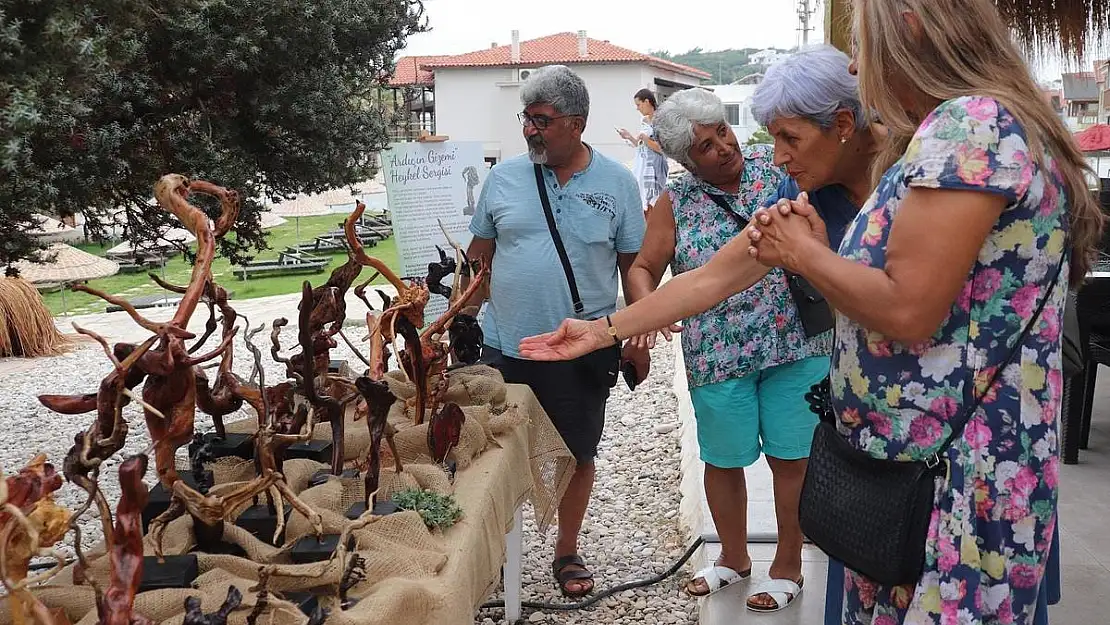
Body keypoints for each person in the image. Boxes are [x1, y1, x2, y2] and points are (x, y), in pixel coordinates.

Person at [522, 0, 1102, 622]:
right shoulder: (931, 147)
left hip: (953, 478)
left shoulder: (969, 126)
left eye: (864, 45)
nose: (857, 62)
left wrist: (807, 254)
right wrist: (605, 328)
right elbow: (718, 275)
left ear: (909, 31)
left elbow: (907, 310)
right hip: (912, 473)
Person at [619, 82, 828, 612]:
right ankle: (734, 557)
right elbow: (643, 267)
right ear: (686, 161)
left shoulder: (775, 171)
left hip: (795, 343)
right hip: (718, 353)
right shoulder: (676, 203)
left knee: (793, 457)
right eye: (706, 146)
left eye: (723, 132)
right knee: (723, 459)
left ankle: (788, 562)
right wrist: (645, 315)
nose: (724, 147)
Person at [463, 64, 648, 598]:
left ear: (578, 123)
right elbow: (478, 262)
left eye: (542, 120)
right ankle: (494, 550)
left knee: (577, 452)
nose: (529, 130)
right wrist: (454, 325)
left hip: (579, 350)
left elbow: (634, 268)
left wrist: (636, 337)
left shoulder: (617, 183)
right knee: (490, 456)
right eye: (527, 118)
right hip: (503, 345)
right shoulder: (503, 179)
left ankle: (566, 550)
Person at [618, 88, 669, 213]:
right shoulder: (644, 121)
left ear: (647, 102)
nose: (637, 108)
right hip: (641, 165)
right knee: (641, 201)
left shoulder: (661, 120)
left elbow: (662, 148)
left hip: (653, 167)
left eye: (638, 105)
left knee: (652, 201)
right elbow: (641, 144)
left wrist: (646, 139)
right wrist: (629, 137)